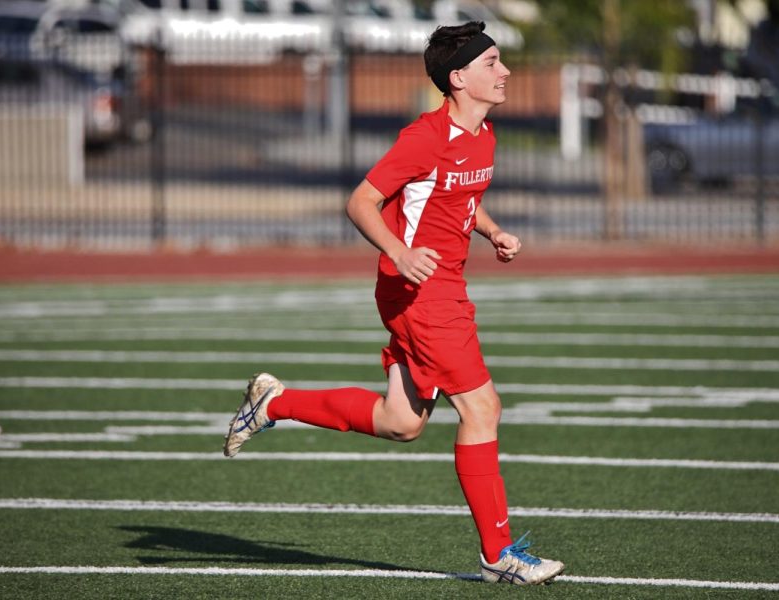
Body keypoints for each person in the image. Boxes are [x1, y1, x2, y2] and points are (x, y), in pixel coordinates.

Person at [224, 21, 565, 585]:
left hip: (446, 287)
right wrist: (400, 252)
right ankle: (499, 554)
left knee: (401, 422)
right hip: (419, 292)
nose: (504, 72)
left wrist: (493, 231)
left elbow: (458, 198)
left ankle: (274, 403)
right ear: (458, 79)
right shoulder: (425, 137)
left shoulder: (484, 135)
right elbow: (361, 201)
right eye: (492, 64)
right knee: (482, 409)